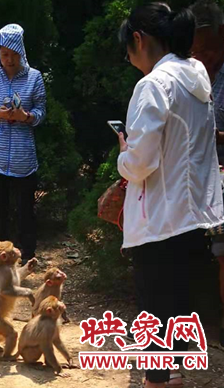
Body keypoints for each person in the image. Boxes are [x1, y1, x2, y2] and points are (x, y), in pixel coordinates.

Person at [117, 3, 223, 387]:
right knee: (179, 311)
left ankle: (160, 381)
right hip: (195, 218)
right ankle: (173, 377)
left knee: (155, 316)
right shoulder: (198, 78)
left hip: (159, 222)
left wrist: (122, 156)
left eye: (129, 49)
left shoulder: (153, 86)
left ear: (139, 40)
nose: (130, 58)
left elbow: (141, 162)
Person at [0, 23, 46, 265]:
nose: (9, 59)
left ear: (21, 52)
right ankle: (0, 257)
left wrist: (25, 117)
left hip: (23, 157)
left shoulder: (34, 77)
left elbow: (40, 112)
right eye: (4, 54)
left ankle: (27, 256)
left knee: (25, 210)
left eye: (13, 54)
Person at [190, 0, 224, 348]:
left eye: (209, 48)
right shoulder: (196, 73)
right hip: (202, 175)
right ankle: (203, 320)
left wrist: (214, 136)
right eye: (197, 51)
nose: (204, 57)